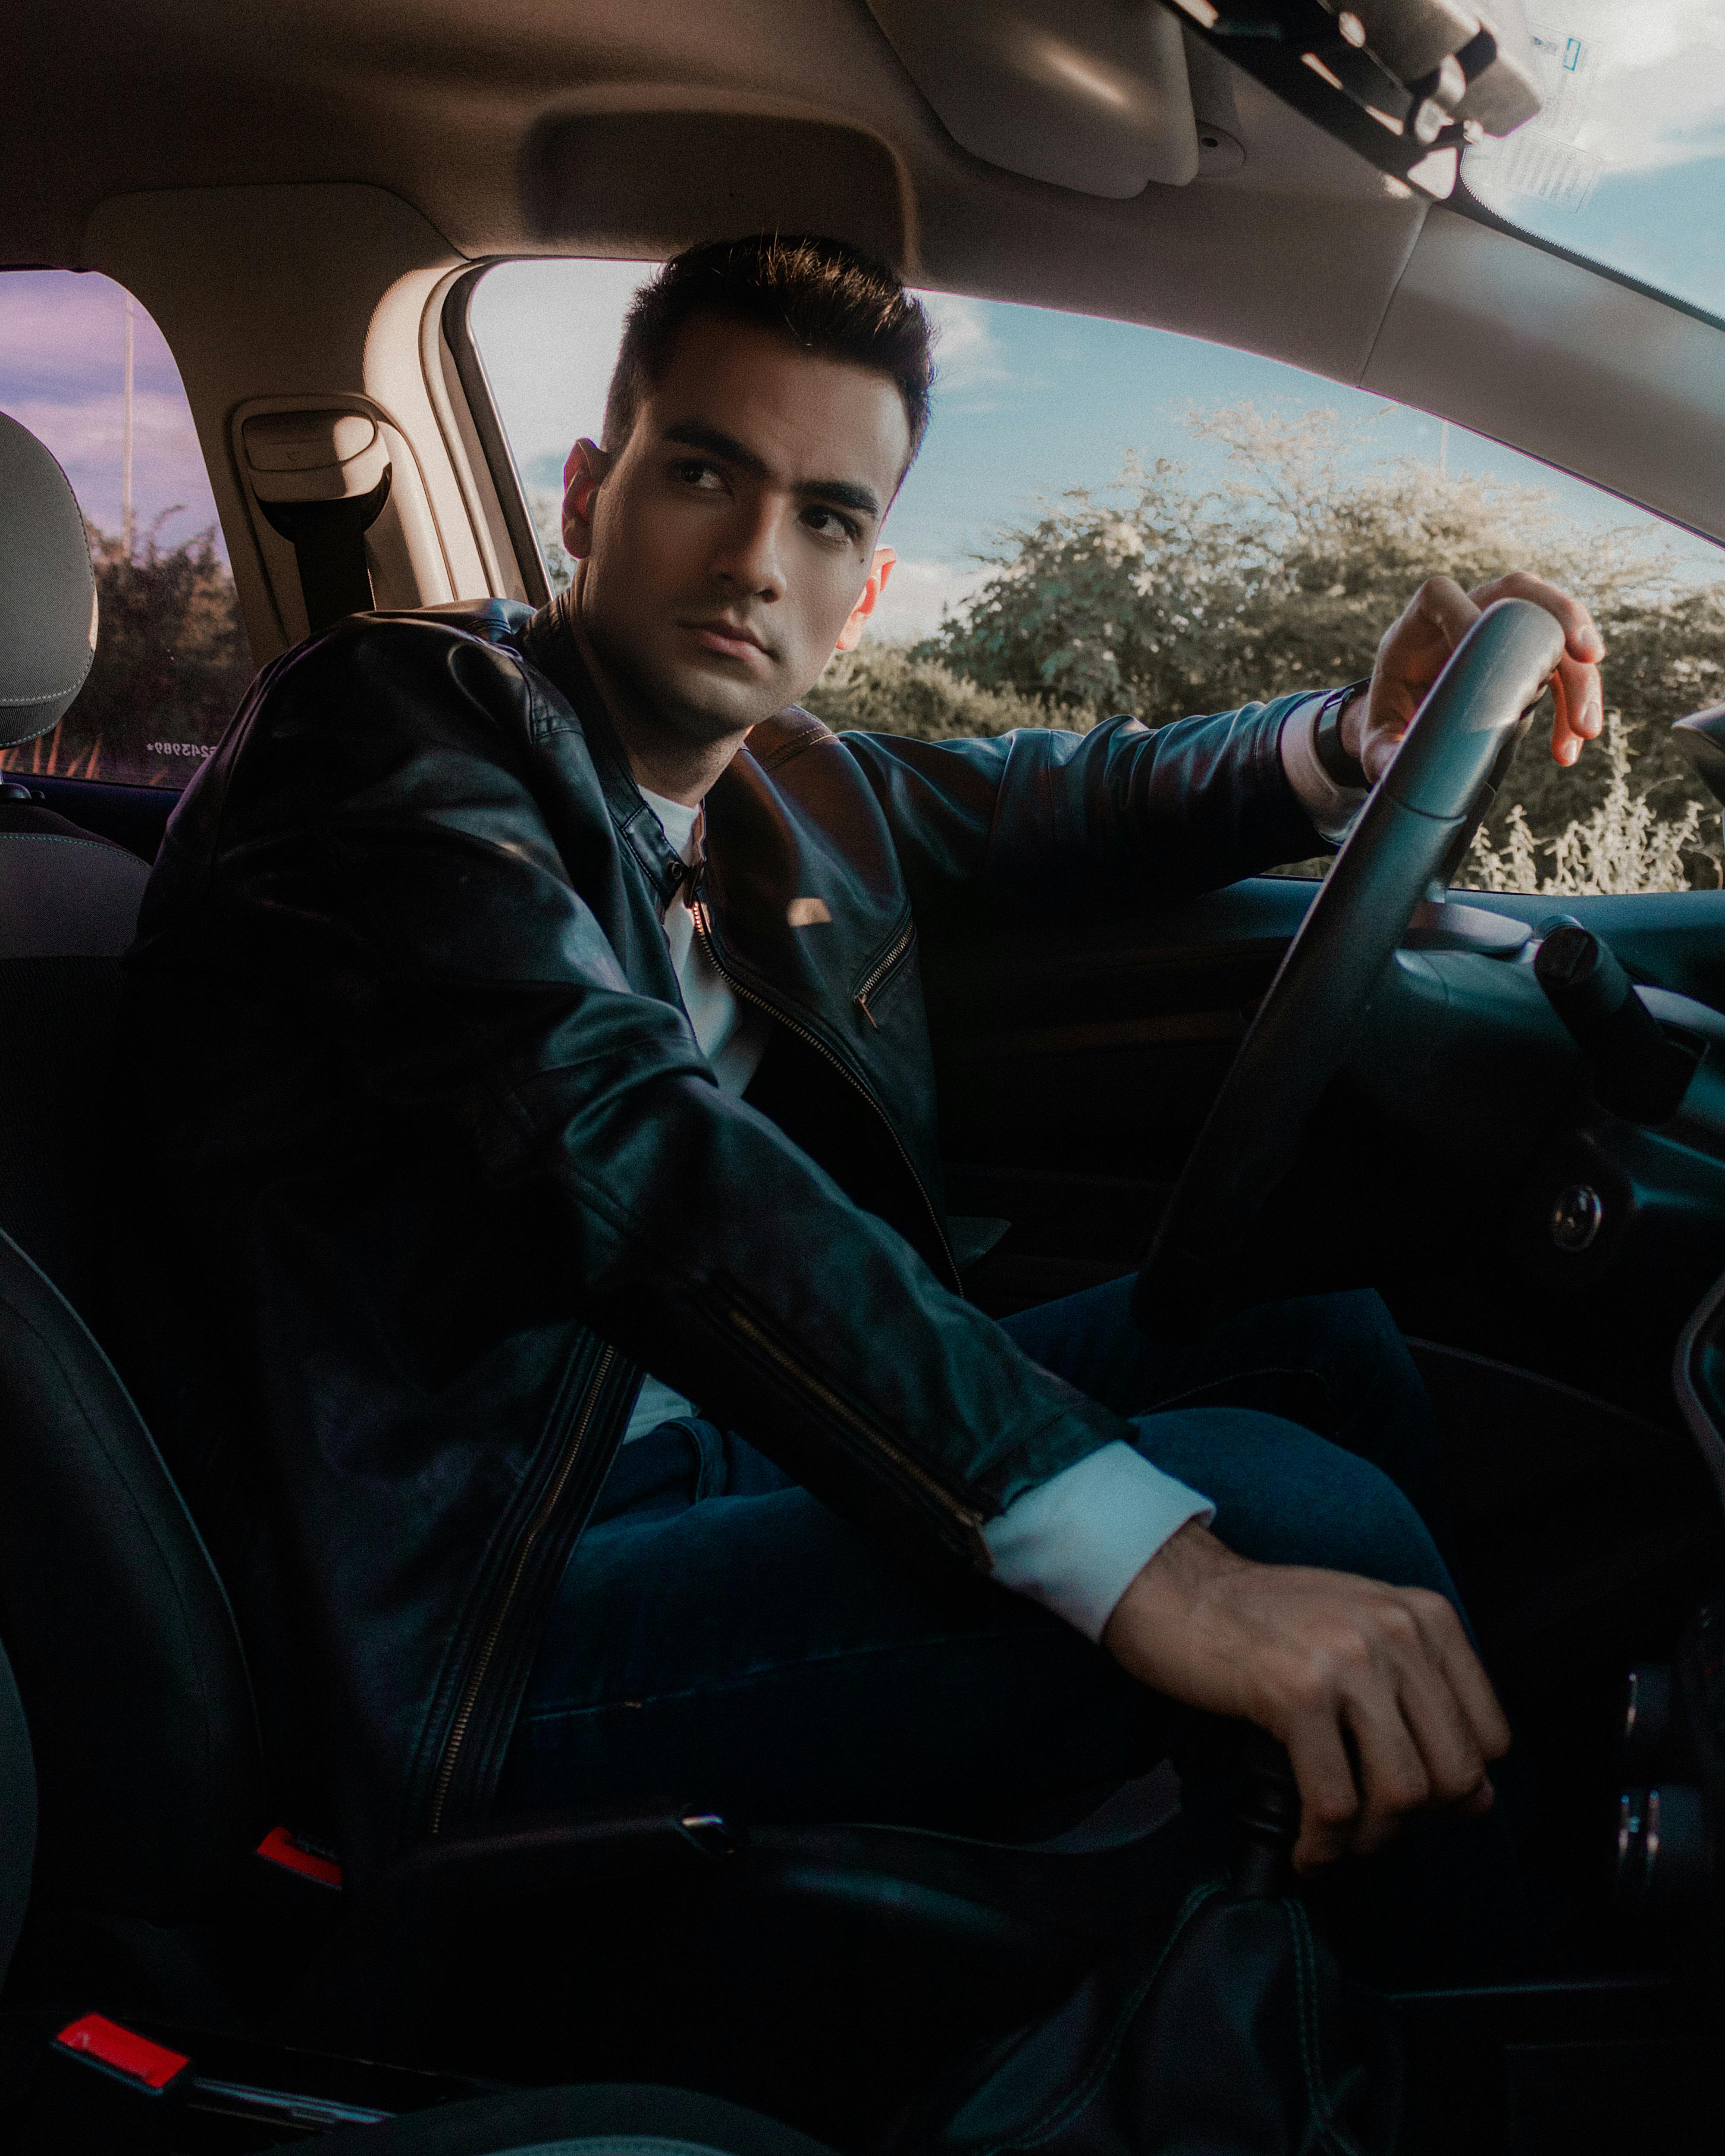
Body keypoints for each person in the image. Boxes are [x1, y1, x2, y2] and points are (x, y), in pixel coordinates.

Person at [116, 235, 1605, 1952]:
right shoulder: (387, 728)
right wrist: (1164, 1571)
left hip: (706, 1444)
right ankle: (1488, 2023)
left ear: (869, 583)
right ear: (588, 495)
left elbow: (1081, 798)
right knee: (1281, 1515)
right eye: (703, 474)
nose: (757, 559)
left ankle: (1371, 1928)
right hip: (485, 1598)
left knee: (1314, 1338)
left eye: (825, 517)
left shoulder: (786, 787)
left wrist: (1354, 737)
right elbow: (624, 1141)